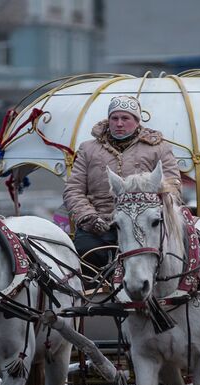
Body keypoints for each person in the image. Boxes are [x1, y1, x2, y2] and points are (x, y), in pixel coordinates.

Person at [63, 95, 181, 269]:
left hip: (144, 225)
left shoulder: (159, 148)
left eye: (125, 118)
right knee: (84, 253)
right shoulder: (88, 149)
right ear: (108, 120)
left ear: (137, 121)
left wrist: (148, 212)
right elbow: (73, 190)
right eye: (114, 118)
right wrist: (88, 217)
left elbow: (173, 186)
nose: (119, 123)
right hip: (98, 228)